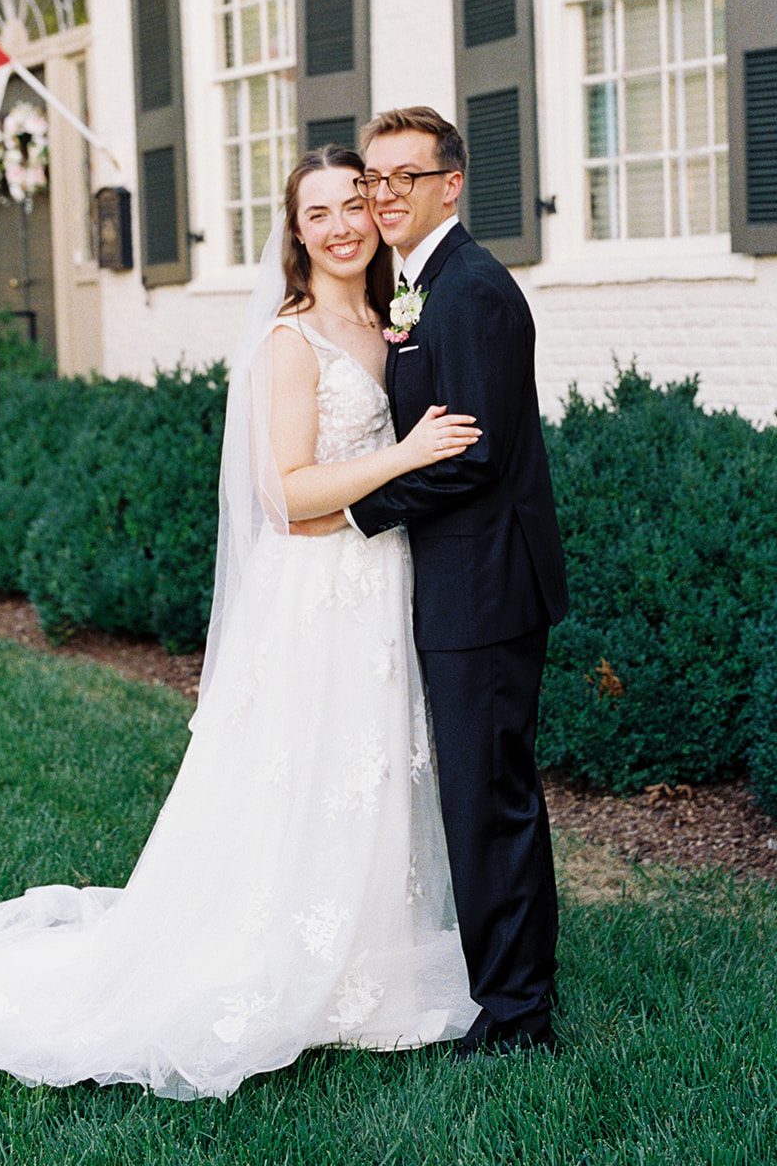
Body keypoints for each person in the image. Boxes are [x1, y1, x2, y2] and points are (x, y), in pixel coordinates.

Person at [0, 144, 482, 1100]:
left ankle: (362, 964)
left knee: (367, 763)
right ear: (293, 234)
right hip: (314, 590)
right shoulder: (291, 343)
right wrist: (406, 457)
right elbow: (284, 494)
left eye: (352, 206)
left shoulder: (390, 320)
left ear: (379, 212)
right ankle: (274, 959)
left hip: (377, 582)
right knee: (305, 765)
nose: (339, 226)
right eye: (315, 213)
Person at [319, 106, 569, 1058]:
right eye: (371, 181)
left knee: (487, 799)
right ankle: (507, 987)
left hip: (485, 588)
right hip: (458, 583)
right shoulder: (425, 285)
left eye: (401, 180)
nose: (382, 198)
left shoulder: (472, 292)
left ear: (450, 184)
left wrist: (348, 513)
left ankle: (516, 1018)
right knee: (481, 793)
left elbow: (469, 457)